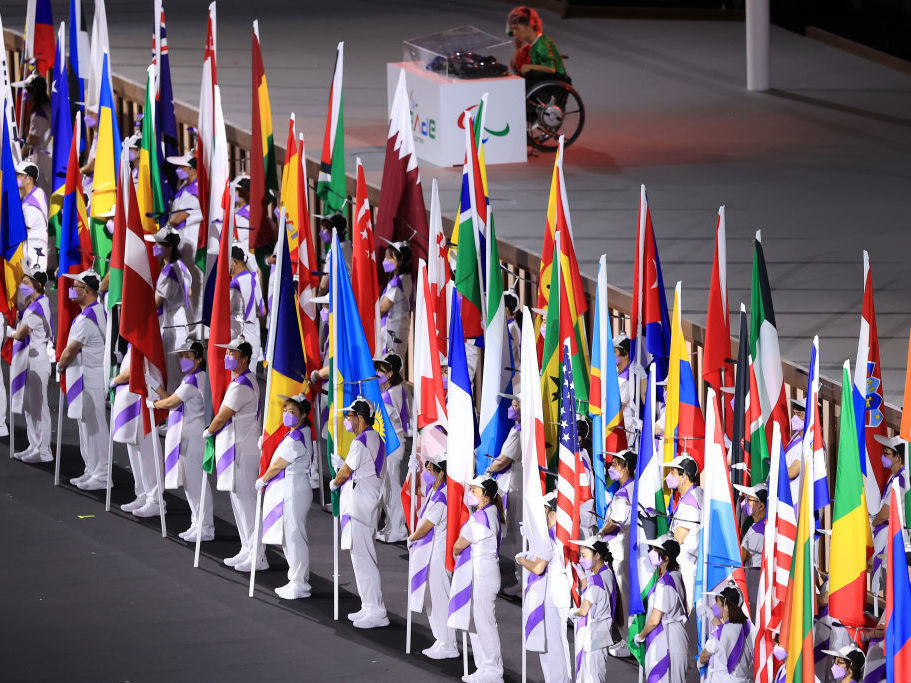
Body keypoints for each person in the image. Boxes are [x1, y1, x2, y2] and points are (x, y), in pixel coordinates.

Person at [204, 337, 265, 572]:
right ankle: (247, 548)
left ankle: (258, 555)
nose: (227, 357)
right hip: (236, 447)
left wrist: (208, 431)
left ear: (245, 358)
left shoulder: (242, 385)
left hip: (243, 448)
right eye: (226, 352)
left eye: (232, 353)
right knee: (238, 500)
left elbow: (222, 415)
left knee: (247, 501)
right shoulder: (238, 381)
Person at [330, 396, 389, 629]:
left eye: (350, 416)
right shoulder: (375, 438)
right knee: (362, 560)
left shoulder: (361, 441)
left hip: (360, 507)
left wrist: (334, 482)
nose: (347, 420)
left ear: (361, 418)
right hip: (367, 505)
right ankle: (368, 606)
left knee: (364, 560)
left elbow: (346, 472)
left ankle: (376, 610)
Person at [151, 339, 214, 541]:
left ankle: (205, 527)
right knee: (190, 483)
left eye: (187, 355)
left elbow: (171, 402)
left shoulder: (192, 380)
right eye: (181, 355)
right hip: (190, 435)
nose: (183, 359)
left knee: (195, 482)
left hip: (193, 436)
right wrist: (155, 387)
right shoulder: (198, 377)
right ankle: (197, 523)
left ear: (199, 359)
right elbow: (172, 398)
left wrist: (153, 403)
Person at [256, 393, 314, 600]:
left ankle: (300, 583)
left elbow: (279, 463)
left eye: (293, 412)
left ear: (303, 414)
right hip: (294, 488)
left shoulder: (296, 437)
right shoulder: (301, 431)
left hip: (294, 489)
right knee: (291, 537)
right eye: (285, 410)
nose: (287, 415)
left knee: (294, 536)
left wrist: (263, 479)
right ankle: (296, 580)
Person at [58, 270, 108, 490]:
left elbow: (70, 351)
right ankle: (91, 469)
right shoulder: (93, 311)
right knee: (85, 427)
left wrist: (59, 366)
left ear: (87, 291)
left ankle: (103, 474)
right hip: (85, 379)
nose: (71, 290)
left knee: (94, 428)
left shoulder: (88, 318)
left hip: (90, 379)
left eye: (75, 286)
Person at [407, 445, 459, 659]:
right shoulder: (435, 491)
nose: (426, 473)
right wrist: (412, 472)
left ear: (441, 473)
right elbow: (416, 491)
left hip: (438, 553)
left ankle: (449, 643)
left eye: (430, 470)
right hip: (428, 553)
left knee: (440, 598)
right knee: (431, 598)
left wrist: (411, 538)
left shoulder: (443, 496)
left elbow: (427, 525)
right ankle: (440, 639)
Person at [452, 475, 504, 683]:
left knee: (485, 623)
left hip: (484, 573)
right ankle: (484, 666)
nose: (470, 494)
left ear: (486, 496)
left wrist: (457, 547)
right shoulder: (488, 512)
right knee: (477, 620)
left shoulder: (481, 517)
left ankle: (493, 670)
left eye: (475, 491)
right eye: (470, 489)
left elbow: (458, 545)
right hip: (481, 572)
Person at [515, 492, 571, 682]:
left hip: (553, 595)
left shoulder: (553, 535)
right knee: (548, 644)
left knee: (554, 645)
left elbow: (539, 568)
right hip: (550, 593)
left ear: (553, 513)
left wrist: (522, 559)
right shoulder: (551, 534)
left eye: (544, 511)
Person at [110, 345, 166, 518]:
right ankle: (142, 494)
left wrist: (115, 380)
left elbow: (134, 370)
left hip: (142, 401)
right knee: (134, 448)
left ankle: (155, 500)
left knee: (147, 452)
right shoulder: (131, 343)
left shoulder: (142, 340)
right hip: (129, 402)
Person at [8, 270, 52, 462]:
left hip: (37, 359)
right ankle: (33, 445)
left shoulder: (38, 307)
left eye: (26, 282)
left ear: (38, 285)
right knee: (28, 406)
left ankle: (44, 451)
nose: (22, 285)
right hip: (28, 359)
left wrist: (5, 330)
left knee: (39, 407)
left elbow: (20, 334)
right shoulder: (34, 305)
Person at [597, 449, 636, 657]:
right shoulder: (630, 488)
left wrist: (600, 532)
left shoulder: (624, 493)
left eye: (615, 465)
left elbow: (616, 522)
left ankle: (629, 642)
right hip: (623, 551)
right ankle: (625, 639)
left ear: (626, 468)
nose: (611, 469)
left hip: (620, 552)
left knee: (623, 598)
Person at [634, 534, 689, 683]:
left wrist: (640, 636)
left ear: (666, 557)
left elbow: (654, 620)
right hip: (676, 634)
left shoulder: (665, 583)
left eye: (655, 549)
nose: (651, 552)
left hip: (667, 639)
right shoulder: (677, 574)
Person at [148, 228, 192, 391]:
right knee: (182, 376)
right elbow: (190, 292)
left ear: (169, 247)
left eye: (159, 244)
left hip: (172, 328)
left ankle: (175, 414)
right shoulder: (181, 266)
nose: (155, 246)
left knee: (174, 381)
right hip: (182, 324)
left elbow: (155, 304)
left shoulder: (168, 271)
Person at [570, 537, 617, 682]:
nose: (581, 559)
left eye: (584, 556)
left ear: (597, 556)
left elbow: (583, 611)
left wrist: (571, 612)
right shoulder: (607, 573)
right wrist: (584, 579)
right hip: (600, 634)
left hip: (595, 636)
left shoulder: (596, 581)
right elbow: (595, 598)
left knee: (593, 678)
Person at [374, 353, 409, 543]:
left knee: (392, 489)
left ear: (391, 373)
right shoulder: (392, 390)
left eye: (382, 369)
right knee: (387, 488)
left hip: (393, 446)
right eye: (377, 368)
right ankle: (391, 525)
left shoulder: (391, 393)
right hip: (391, 445)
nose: (377, 372)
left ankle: (399, 529)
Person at [485, 394, 522, 560]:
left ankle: (518, 564)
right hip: (521, 482)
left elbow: (503, 459)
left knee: (515, 524)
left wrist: (488, 471)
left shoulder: (518, 431)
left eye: (514, 405)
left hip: (515, 484)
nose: (511, 408)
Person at [663, 454, 702, 608]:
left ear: (684, 476)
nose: (668, 476)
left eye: (672, 472)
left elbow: (678, 538)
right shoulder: (696, 494)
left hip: (684, 567)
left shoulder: (689, 503)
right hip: (688, 565)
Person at [871, 434, 906, 595]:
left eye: (886, 454)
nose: (882, 457)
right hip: (886, 531)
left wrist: (874, 521)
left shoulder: (900, 480)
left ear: (898, 457)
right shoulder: (895, 476)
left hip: (889, 534)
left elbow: (885, 514)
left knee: (885, 577)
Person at [698, 585, 754, 682]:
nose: (719, 608)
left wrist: (699, 662)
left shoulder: (719, 632)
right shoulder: (750, 627)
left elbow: (704, 656)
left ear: (727, 606)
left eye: (720, 604)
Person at [506, 6, 567, 86]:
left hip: (556, 81)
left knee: (520, 84)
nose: (514, 33)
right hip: (540, 78)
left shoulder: (542, 44)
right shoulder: (528, 47)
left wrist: (530, 67)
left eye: (517, 28)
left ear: (529, 26)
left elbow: (552, 69)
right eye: (512, 29)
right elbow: (518, 69)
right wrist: (517, 49)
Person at [229, 245, 265, 365]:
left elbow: (227, 312)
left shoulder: (234, 284)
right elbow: (263, 311)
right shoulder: (254, 278)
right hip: (254, 341)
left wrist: (237, 317)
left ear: (234, 262)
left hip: (240, 342)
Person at [379, 241, 413, 358]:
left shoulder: (398, 282)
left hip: (393, 329)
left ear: (400, 261)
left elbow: (384, 306)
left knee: (390, 364)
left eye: (389, 258)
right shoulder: (406, 278)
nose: (385, 260)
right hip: (399, 327)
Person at [22, 74, 52, 197]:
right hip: (50, 156)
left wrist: (19, 158)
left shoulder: (39, 114)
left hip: (44, 161)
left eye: (28, 89)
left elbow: (31, 141)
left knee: (44, 193)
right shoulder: (48, 106)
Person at [17, 161, 49, 272]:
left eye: (20, 175)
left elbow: (22, 231)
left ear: (29, 179)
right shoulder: (38, 193)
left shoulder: (31, 206)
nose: (17, 178)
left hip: (33, 256)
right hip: (33, 252)